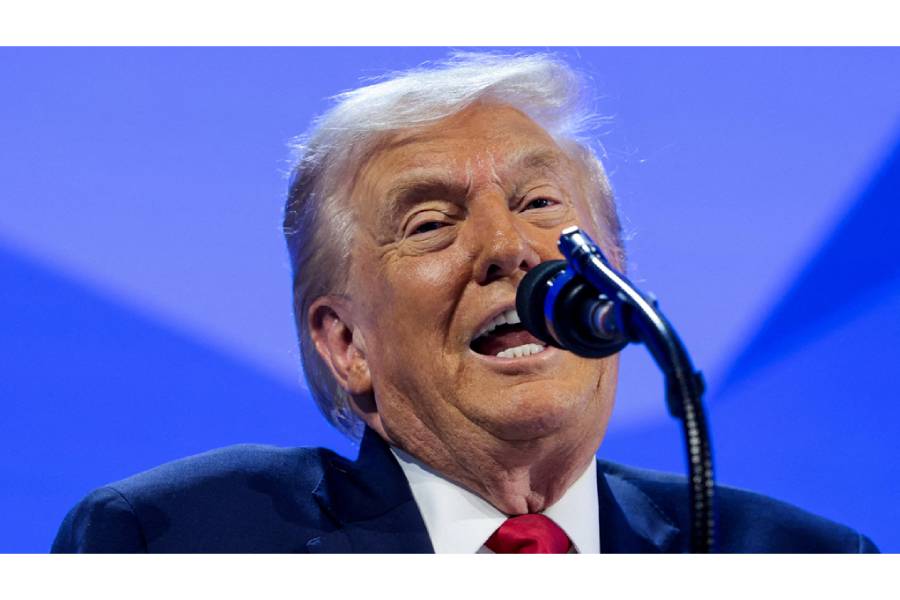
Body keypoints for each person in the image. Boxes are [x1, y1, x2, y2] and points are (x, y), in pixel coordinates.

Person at [52, 52, 877, 553]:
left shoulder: (805, 560)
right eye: (431, 222)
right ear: (346, 344)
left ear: (615, 276)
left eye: (543, 205)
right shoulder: (177, 540)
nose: (508, 248)